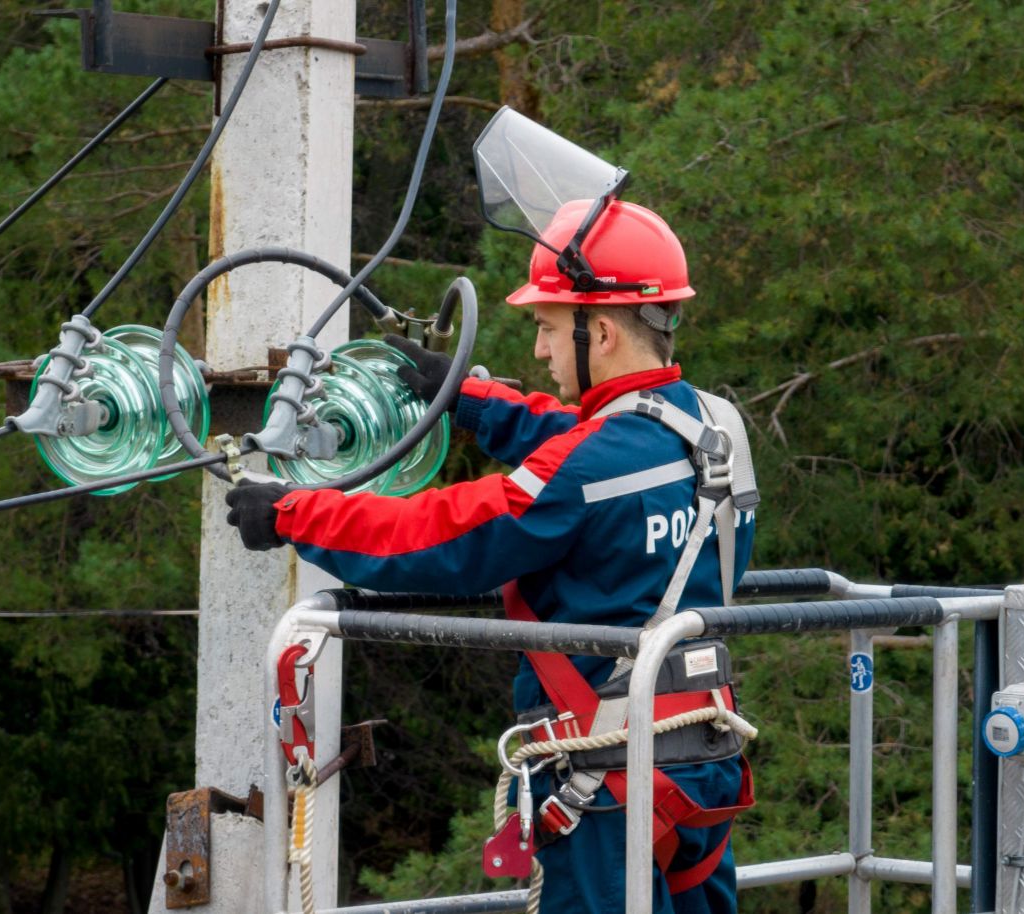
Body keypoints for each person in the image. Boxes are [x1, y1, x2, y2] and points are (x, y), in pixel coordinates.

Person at [226, 194, 758, 913]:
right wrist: (466, 398)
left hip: (609, 783)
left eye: (546, 328)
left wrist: (292, 511)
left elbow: (444, 536)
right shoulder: (712, 427)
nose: (539, 350)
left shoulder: (586, 469)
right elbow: (589, 439)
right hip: (704, 758)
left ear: (599, 331)